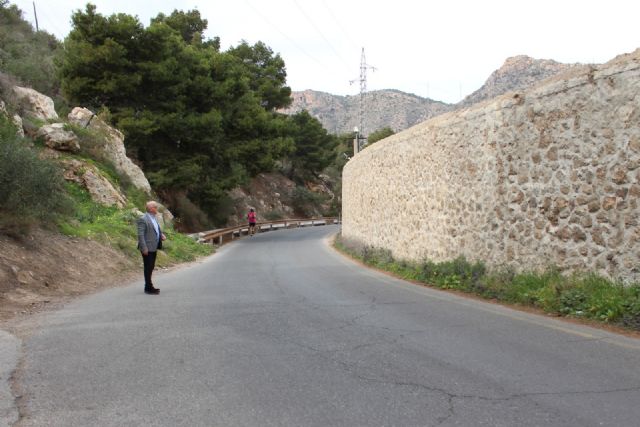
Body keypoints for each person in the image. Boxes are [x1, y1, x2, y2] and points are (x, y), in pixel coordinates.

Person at [137, 201, 166, 295]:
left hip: (154, 246)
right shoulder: (143, 219)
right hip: (147, 247)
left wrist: (161, 235)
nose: (157, 208)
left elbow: (155, 229)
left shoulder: (153, 218)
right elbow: (140, 235)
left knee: (151, 266)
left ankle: (148, 286)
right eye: (155, 207)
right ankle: (148, 287)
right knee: (148, 267)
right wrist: (144, 248)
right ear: (151, 208)